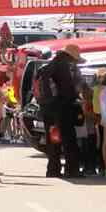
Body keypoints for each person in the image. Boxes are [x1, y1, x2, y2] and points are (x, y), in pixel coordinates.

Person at [41, 44, 85, 178]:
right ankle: (72, 169)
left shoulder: (50, 65)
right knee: (68, 139)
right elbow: (74, 88)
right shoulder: (69, 66)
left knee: (53, 139)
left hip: (48, 107)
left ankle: (53, 169)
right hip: (64, 107)